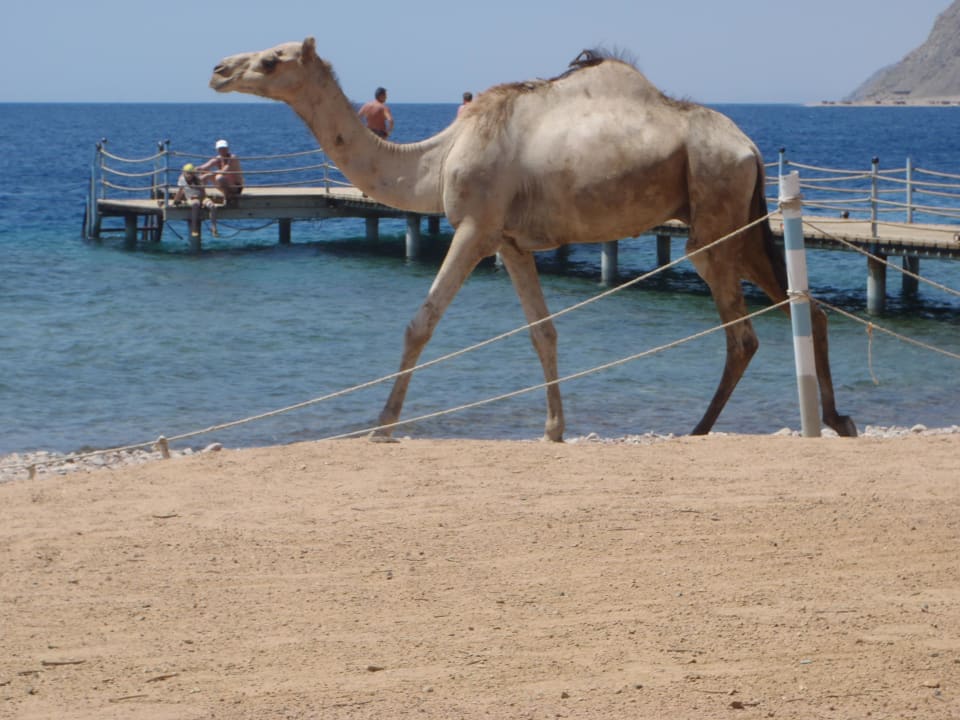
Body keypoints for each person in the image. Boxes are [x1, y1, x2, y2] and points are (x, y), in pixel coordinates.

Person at [172, 162, 218, 238]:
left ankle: (214, 228)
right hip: (191, 198)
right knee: (195, 204)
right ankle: (194, 228)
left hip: (201, 197)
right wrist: (175, 201)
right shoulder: (182, 179)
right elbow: (180, 192)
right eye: (188, 173)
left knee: (212, 206)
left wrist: (203, 198)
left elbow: (203, 191)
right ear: (184, 173)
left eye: (191, 173)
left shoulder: (197, 178)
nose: (190, 175)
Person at [199, 139, 244, 206]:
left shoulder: (232, 158)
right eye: (220, 149)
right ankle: (202, 194)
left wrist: (207, 175)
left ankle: (228, 198)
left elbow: (224, 171)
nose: (223, 150)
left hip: (236, 187)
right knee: (204, 172)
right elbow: (204, 167)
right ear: (217, 150)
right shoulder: (218, 158)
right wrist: (190, 171)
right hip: (226, 185)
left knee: (219, 177)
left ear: (228, 149)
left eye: (224, 148)